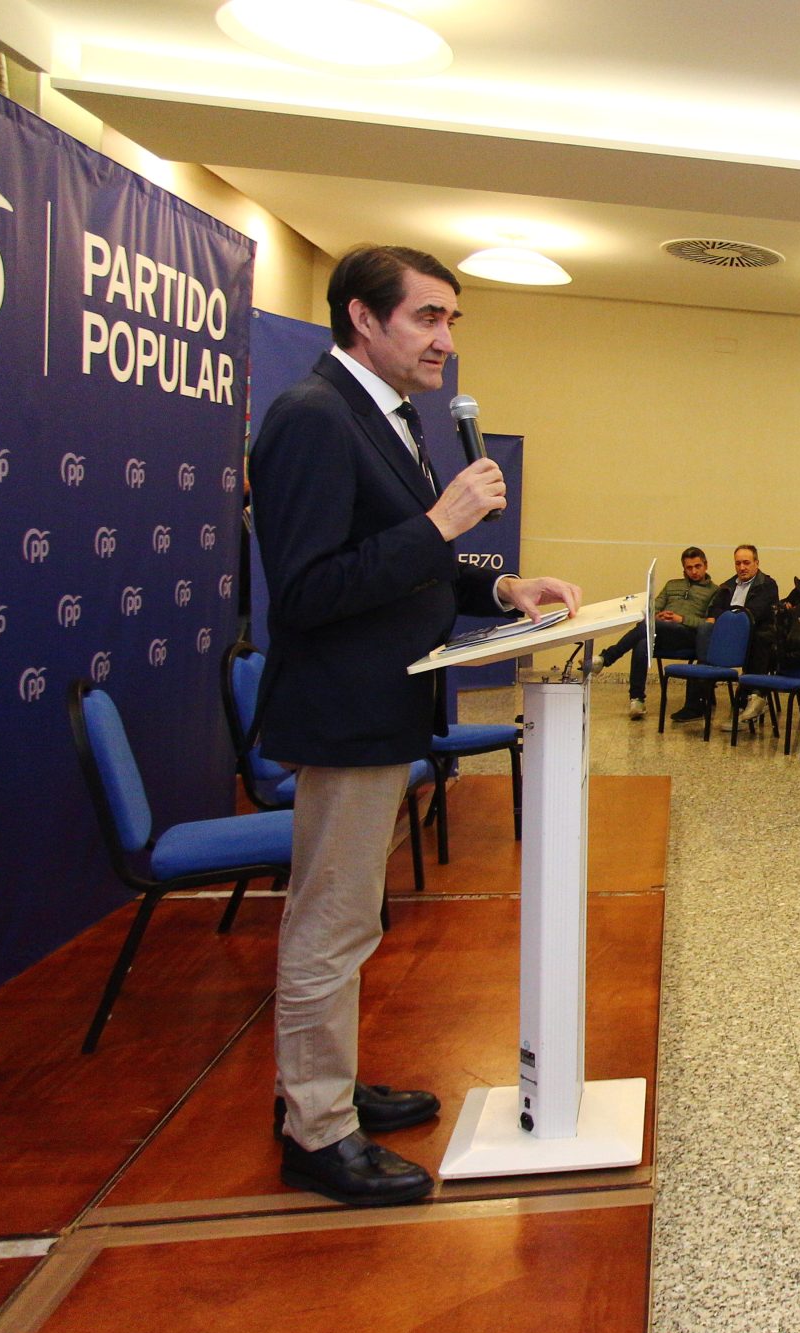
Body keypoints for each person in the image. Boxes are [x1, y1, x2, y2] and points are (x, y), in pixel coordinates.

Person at [251, 244, 582, 1207]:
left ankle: (327, 1084)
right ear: (363, 317)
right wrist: (442, 524)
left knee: (353, 919)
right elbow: (309, 590)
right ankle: (316, 1130)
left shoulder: (386, 416)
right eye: (427, 318)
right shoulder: (312, 417)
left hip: (384, 705)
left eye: (452, 321)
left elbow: (404, 559)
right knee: (332, 924)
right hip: (345, 709)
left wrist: (505, 583)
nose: (446, 340)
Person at [598, 544, 712, 719]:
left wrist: (680, 619)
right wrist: (658, 616)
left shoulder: (714, 591)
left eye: (698, 566)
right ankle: (637, 700)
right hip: (662, 632)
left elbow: (708, 624)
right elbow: (654, 607)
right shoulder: (672, 585)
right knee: (642, 642)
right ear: (684, 569)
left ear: (705, 565)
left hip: (688, 635)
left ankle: (607, 657)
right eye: (689, 568)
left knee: (646, 628)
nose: (694, 571)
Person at [700, 544, 780, 726]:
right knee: (704, 630)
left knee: (760, 639)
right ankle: (699, 698)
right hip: (728, 637)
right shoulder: (727, 586)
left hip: (756, 636)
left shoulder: (767, 585)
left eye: (746, 563)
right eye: (738, 563)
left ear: (756, 563)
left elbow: (756, 613)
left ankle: (753, 698)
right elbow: (715, 609)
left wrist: (732, 618)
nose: (742, 568)